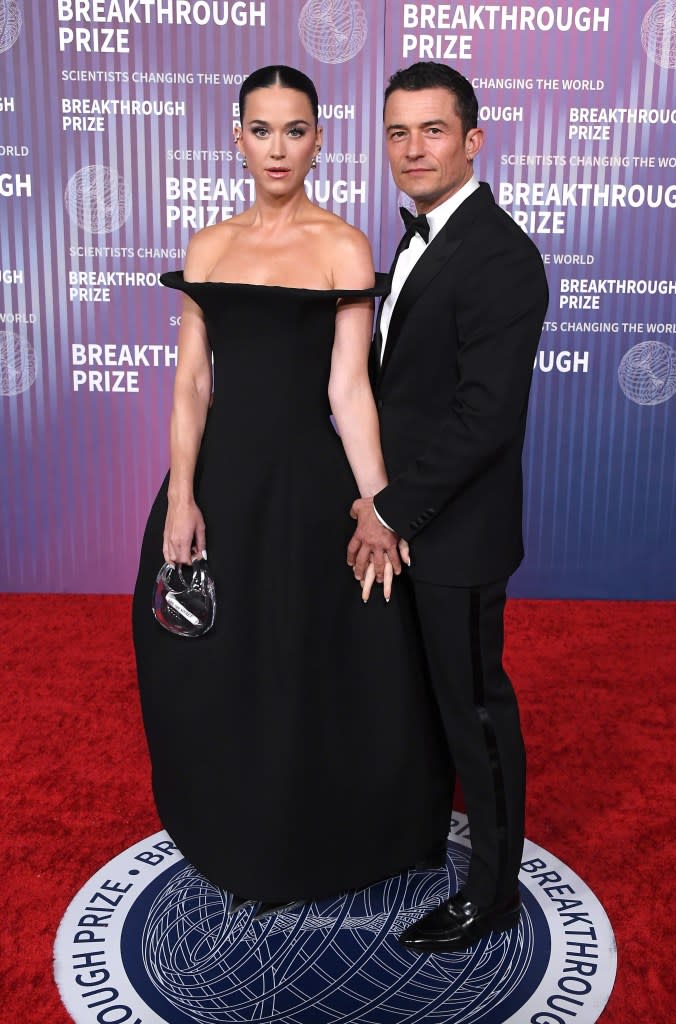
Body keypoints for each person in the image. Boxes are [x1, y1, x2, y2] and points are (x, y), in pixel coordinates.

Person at [132, 65, 452, 918]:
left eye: (296, 129)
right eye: (262, 129)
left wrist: (382, 509)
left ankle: (326, 832)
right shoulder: (208, 246)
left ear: (319, 138)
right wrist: (182, 495)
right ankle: (231, 824)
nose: (279, 147)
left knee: (313, 657)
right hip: (224, 485)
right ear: (237, 136)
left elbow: (351, 392)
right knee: (214, 656)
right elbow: (192, 383)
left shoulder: (341, 246)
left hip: (309, 489)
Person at [348, 62, 549, 952]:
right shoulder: (422, 238)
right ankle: (416, 837)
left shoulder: (501, 254)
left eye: (433, 130)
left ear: (473, 139)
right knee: (423, 703)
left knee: (475, 714)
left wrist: (391, 512)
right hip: (409, 523)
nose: (414, 148)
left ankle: (494, 892)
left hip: (453, 533)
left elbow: (484, 419)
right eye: (398, 132)